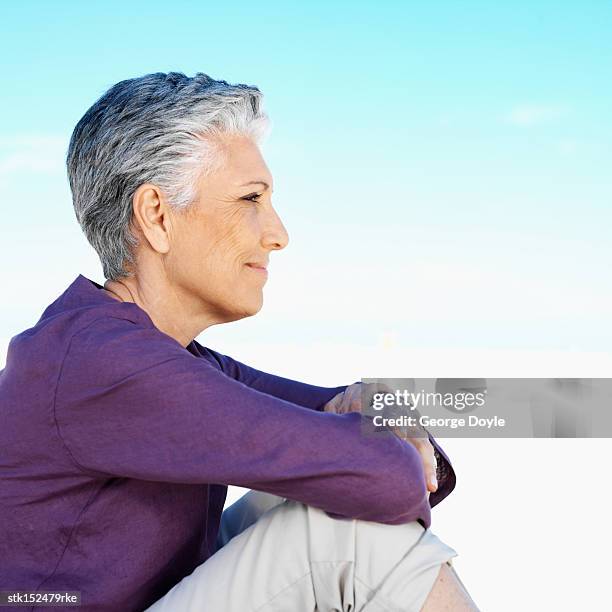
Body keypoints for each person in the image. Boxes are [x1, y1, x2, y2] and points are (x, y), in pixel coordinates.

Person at [0, 72, 479, 611]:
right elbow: (389, 479)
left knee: (319, 493)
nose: (278, 233)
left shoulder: (167, 357)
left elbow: (345, 421)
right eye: (251, 198)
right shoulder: (101, 362)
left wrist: (372, 405)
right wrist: (381, 446)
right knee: (351, 540)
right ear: (157, 216)